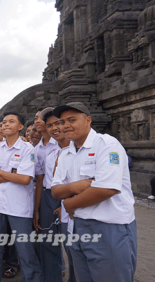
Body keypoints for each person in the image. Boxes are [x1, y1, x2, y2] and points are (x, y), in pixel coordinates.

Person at [51, 102, 137, 282]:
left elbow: (107, 189)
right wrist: (76, 187)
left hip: (108, 227)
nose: (65, 125)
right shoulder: (65, 154)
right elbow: (56, 190)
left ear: (88, 120)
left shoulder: (107, 145)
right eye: (62, 121)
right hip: (77, 228)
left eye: (71, 120)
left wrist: (70, 203)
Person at [0, 111, 42, 282]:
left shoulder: (27, 148)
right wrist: (11, 174)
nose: (5, 124)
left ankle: (32, 279)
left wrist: (0, 172)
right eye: (3, 122)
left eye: (10, 121)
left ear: (21, 127)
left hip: (18, 206)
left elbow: (24, 179)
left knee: (25, 249)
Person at [42, 108, 75, 282]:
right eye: (50, 125)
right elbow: (55, 186)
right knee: (52, 245)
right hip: (59, 206)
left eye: (58, 123)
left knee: (75, 252)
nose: (55, 128)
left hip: (80, 210)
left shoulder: (79, 149)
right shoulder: (51, 156)